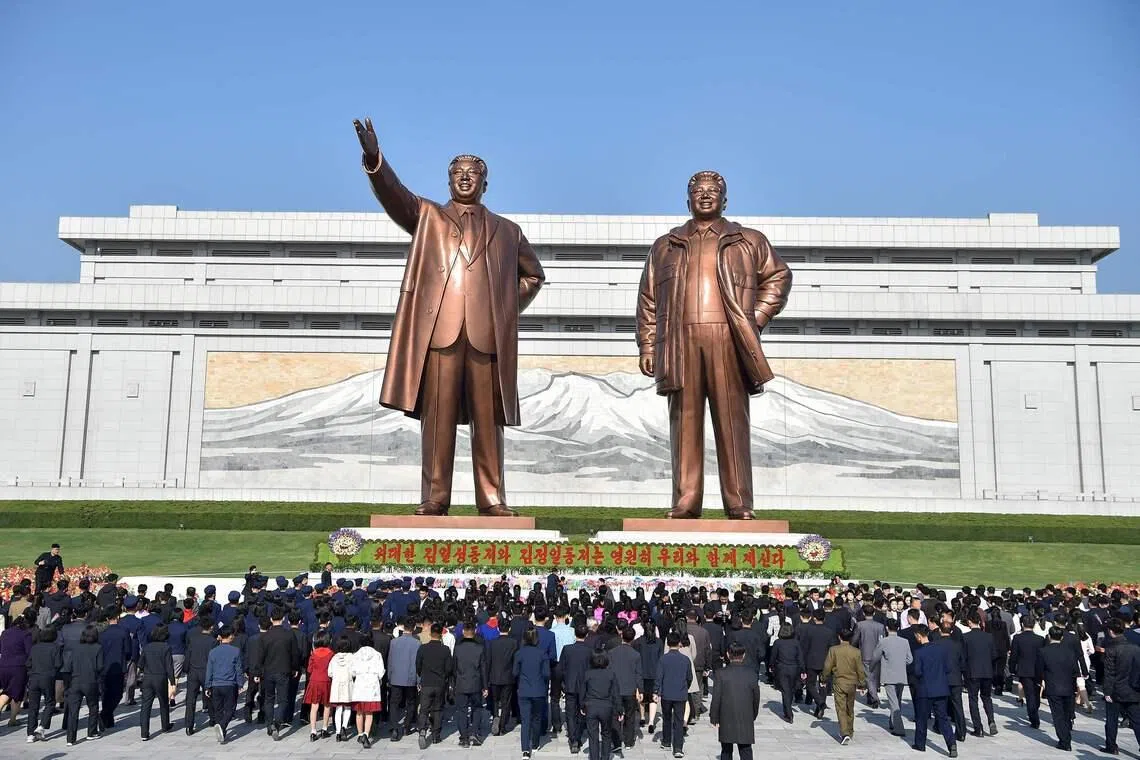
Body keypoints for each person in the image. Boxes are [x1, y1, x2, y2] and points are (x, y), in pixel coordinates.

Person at [353, 117, 546, 518]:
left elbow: (533, 275)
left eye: (472, 174)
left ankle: (492, 498)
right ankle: (435, 497)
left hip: (486, 338)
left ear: (484, 183)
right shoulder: (428, 218)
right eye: (457, 173)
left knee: (488, 422)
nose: (464, 179)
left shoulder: (507, 231)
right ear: (448, 181)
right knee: (437, 421)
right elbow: (394, 195)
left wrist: (505, 308)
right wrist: (375, 158)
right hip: (440, 334)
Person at [636, 170, 791, 520]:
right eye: (698, 191)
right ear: (687, 200)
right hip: (680, 342)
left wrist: (755, 319)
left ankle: (738, 503)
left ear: (725, 199)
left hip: (727, 339)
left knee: (732, 422)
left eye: (712, 191)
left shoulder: (747, 240)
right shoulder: (666, 245)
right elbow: (648, 298)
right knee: (684, 423)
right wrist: (648, 346)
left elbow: (778, 277)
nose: (705, 196)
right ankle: (686, 501)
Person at [254, 607, 301, 740]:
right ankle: (277, 722)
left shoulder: (265, 636)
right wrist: (295, 668)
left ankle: (269, 724)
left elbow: (260, 656)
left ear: (271, 619)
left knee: (268, 699)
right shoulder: (289, 634)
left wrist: (257, 672)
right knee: (283, 700)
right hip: (284, 671)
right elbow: (294, 654)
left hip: (268, 672)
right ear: (284, 619)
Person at [911, 626, 958, 757]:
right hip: (941, 688)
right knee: (943, 718)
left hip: (925, 690)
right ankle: (951, 743)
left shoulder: (919, 652)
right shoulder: (941, 650)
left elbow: (918, 672)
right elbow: (948, 668)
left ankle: (920, 744)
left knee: (922, 718)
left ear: (919, 636)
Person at [710, 643, 761, 760]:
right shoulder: (752, 674)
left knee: (726, 750)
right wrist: (753, 714)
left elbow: (716, 697)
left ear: (728, 654)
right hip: (745, 715)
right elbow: (756, 698)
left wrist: (714, 717)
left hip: (726, 716)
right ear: (744, 655)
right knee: (746, 749)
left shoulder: (721, 673)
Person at [821, 627, 867, 745]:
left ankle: (844, 732)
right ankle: (850, 731)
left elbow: (827, 666)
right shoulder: (856, 652)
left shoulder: (834, 650)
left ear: (839, 637)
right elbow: (860, 670)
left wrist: (823, 679)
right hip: (852, 683)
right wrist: (862, 684)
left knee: (841, 708)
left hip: (839, 682)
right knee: (849, 708)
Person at [1101, 617, 1140, 755]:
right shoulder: (1135, 648)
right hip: (1133, 689)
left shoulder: (1111, 650)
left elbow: (1109, 673)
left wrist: (1107, 692)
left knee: (1111, 720)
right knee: (1137, 722)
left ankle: (1111, 746)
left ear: (1111, 631)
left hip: (1116, 690)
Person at [1037, 626, 1080, 751]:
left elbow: (1039, 670)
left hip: (1053, 686)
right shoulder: (1070, 652)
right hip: (1068, 686)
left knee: (1058, 715)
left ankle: (1065, 741)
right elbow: (1075, 670)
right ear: (1061, 637)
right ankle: (1066, 736)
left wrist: (1041, 682)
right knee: (1066, 714)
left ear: (1049, 637)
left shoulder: (1043, 651)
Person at [514, 626, 550, 759]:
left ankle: (525, 749)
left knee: (525, 720)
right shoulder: (542, 654)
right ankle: (535, 743)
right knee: (536, 718)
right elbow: (546, 674)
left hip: (524, 689)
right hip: (539, 689)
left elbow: (515, 672)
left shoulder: (519, 653)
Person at [655, 630, 693, 759]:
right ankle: (678, 748)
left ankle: (666, 742)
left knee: (666, 718)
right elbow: (689, 677)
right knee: (678, 720)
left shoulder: (663, 659)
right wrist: (685, 687)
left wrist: (656, 691)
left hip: (666, 694)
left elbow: (659, 677)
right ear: (679, 643)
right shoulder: (685, 659)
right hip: (680, 693)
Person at [872, 618, 912, 737]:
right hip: (901, 674)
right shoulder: (905, 641)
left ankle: (899, 728)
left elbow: (875, 657)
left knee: (894, 702)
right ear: (898, 628)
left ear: (887, 628)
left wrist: (871, 669)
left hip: (889, 675)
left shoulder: (884, 641)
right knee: (897, 700)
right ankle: (892, 722)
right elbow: (910, 659)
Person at [961, 609, 998, 736]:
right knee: (987, 698)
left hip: (972, 672)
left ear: (970, 622)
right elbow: (994, 655)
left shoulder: (965, 638)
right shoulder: (989, 637)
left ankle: (978, 727)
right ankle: (991, 720)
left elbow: (963, 657)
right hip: (987, 672)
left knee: (973, 699)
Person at [65, 625, 103, 746]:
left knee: (73, 711)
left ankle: (71, 738)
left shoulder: (76, 648)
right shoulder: (98, 648)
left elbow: (69, 666)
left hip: (76, 681)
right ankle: (91, 732)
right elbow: (100, 666)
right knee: (93, 707)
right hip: (91, 681)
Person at [415, 622, 452, 748]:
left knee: (424, 709)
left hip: (426, 682)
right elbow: (449, 668)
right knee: (437, 709)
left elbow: (418, 666)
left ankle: (422, 730)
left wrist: (422, 676)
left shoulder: (423, 648)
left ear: (430, 634)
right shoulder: (445, 650)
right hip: (439, 683)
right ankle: (436, 735)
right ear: (441, 634)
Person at [205, 625, 244, 744]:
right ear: (231, 636)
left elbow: (209, 670)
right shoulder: (236, 651)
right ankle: (222, 726)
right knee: (230, 709)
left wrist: (207, 685)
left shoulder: (213, 652)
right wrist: (240, 683)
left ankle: (221, 729)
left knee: (218, 709)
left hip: (216, 684)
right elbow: (238, 669)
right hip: (230, 684)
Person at [579, 650, 621, 760]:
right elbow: (616, 693)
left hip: (591, 706)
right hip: (606, 707)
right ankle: (605, 757)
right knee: (606, 734)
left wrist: (582, 705)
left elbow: (582, 691)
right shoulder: (611, 674)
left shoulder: (587, 674)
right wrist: (619, 710)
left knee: (593, 736)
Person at [453, 619, 488, 747]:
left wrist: (454, 683)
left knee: (462, 710)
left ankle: (464, 737)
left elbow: (454, 668)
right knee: (477, 708)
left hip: (461, 683)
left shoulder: (457, 648)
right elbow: (483, 668)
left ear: (463, 632)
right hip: (476, 682)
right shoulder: (479, 648)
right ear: (475, 632)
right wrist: (485, 686)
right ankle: (475, 732)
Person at [138, 623, 175, 741]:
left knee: (145, 705)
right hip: (160, 678)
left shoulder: (147, 647)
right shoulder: (166, 647)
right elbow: (169, 666)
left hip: (148, 677)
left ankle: (144, 732)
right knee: (163, 702)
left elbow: (140, 664)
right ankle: (165, 725)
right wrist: (172, 681)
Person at [609, 625, 643, 753]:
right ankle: (629, 741)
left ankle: (617, 742)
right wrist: (641, 690)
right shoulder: (636, 655)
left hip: (615, 689)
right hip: (630, 689)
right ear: (633, 639)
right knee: (630, 716)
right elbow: (638, 674)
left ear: (621, 636)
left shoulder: (612, 653)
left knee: (615, 716)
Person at [25, 624, 62, 743]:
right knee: (50, 703)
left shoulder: (35, 647)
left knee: (33, 706)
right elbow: (58, 664)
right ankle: (42, 726)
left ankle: (30, 734)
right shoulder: (55, 647)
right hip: (47, 677)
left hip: (34, 678)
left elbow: (28, 663)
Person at [1009, 614, 1046, 729]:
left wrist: (1012, 668)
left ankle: (1034, 718)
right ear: (1034, 624)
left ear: (1022, 624)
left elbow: (1014, 655)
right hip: (1038, 670)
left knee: (1029, 695)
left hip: (1024, 669)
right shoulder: (1040, 639)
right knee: (1036, 693)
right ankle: (1035, 711)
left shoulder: (1018, 638)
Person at [386, 617, 420, 741]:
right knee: (410, 702)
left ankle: (395, 728)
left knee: (394, 703)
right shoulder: (417, 642)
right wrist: (418, 679)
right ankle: (407, 726)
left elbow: (390, 661)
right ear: (414, 628)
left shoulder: (394, 642)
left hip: (396, 677)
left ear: (403, 627)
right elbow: (417, 663)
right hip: (411, 677)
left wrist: (389, 676)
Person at [183, 615, 217, 735]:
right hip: (206, 671)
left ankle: (189, 725)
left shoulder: (193, 639)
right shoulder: (213, 641)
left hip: (193, 671)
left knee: (190, 699)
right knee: (209, 696)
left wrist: (186, 669)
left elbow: (188, 655)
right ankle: (213, 718)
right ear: (211, 627)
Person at [350, 636, 385, 748]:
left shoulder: (355, 655)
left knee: (359, 712)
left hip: (360, 684)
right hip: (372, 685)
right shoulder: (377, 655)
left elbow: (353, 671)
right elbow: (381, 671)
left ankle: (360, 734)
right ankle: (366, 733)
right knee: (369, 713)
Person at [0, 615, 33, 730]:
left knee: (7, 690)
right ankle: (12, 719)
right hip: (18, 667)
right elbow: (29, 651)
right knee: (17, 693)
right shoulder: (26, 634)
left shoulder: (5, 633)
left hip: (3, 665)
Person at [769, 623, 804, 723]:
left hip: (782, 668)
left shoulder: (778, 642)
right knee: (790, 690)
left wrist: (771, 666)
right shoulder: (796, 643)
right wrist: (803, 669)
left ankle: (788, 714)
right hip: (794, 668)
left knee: (785, 691)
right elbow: (800, 657)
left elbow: (773, 656)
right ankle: (788, 711)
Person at [489, 620, 519, 736]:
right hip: (508, 676)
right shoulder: (514, 643)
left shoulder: (492, 643)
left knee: (495, 700)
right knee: (506, 702)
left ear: (498, 628)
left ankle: (496, 716)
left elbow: (489, 660)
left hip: (495, 676)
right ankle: (502, 726)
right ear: (509, 629)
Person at [303, 630, 334, 741]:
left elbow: (309, 669)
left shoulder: (314, 653)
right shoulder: (331, 653)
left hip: (314, 681)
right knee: (327, 705)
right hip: (326, 681)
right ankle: (325, 728)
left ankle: (313, 731)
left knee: (314, 706)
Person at [851, 605, 885, 707]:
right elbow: (882, 640)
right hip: (877, 653)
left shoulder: (860, 625)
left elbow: (855, 639)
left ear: (864, 613)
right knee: (874, 677)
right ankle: (871, 696)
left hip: (865, 653)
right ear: (873, 613)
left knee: (869, 677)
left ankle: (874, 698)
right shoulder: (880, 626)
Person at [327, 635, 355, 741]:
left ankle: (338, 732)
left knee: (338, 708)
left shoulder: (334, 658)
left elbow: (330, 673)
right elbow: (354, 672)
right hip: (348, 684)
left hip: (336, 685)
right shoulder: (352, 657)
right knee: (347, 708)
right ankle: (344, 726)